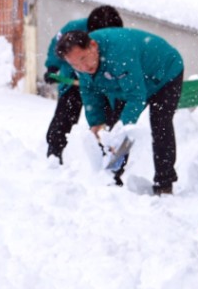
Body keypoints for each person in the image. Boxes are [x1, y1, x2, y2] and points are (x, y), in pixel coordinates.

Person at [59, 26, 185, 196]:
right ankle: (111, 177)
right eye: (75, 64)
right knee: (112, 129)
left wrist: (122, 130)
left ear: (93, 46)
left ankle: (164, 183)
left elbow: (136, 95)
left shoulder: (119, 53)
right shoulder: (84, 63)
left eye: (83, 58)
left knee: (159, 123)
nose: (82, 67)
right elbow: (89, 92)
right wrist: (97, 123)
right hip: (129, 84)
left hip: (164, 73)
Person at [44, 6, 123, 163]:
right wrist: (52, 67)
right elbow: (56, 45)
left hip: (102, 83)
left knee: (106, 119)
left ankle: (107, 156)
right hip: (73, 82)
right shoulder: (73, 29)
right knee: (65, 116)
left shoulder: (117, 37)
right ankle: (54, 153)